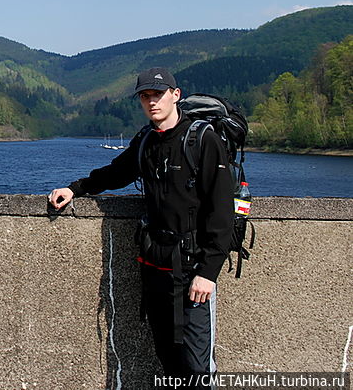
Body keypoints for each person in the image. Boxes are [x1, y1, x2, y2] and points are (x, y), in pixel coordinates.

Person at [48, 67, 234, 387]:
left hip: (192, 267)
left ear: (176, 95)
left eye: (158, 95)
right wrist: (75, 188)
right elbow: (116, 173)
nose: (152, 102)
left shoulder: (203, 139)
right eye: (145, 97)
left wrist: (208, 271)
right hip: (156, 265)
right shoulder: (147, 140)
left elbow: (221, 210)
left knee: (197, 362)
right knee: (167, 355)